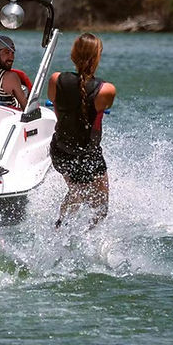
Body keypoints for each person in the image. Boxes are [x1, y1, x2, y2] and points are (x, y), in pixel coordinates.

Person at [48, 33, 116, 227]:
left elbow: (59, 113)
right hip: (88, 154)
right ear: (97, 57)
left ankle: (59, 229)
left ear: (73, 56)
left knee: (77, 190)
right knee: (100, 206)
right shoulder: (106, 90)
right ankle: (90, 236)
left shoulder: (55, 79)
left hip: (60, 150)